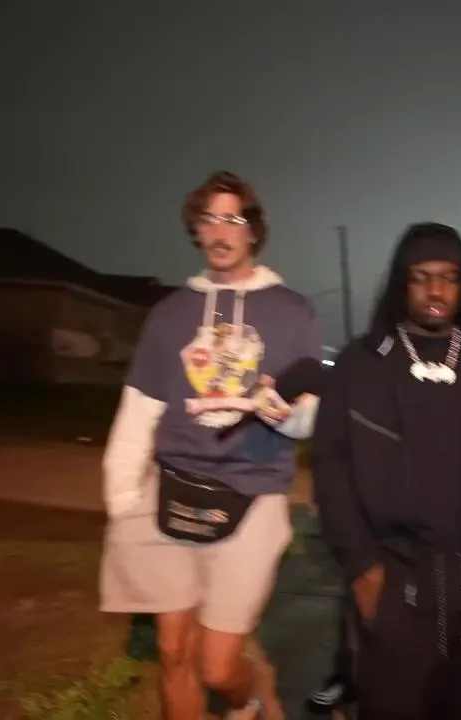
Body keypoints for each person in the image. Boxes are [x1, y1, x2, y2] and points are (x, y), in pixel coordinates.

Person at [99, 171, 321, 720]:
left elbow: (309, 414)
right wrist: (123, 497)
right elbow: (140, 407)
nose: (220, 231)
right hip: (169, 488)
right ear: (196, 231)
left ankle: (245, 702)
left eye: (233, 218)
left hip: (252, 497)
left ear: (253, 230)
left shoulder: (293, 311)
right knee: (173, 651)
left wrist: (285, 413)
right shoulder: (170, 314)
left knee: (217, 665)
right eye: (208, 220)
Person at [312, 222, 461, 720]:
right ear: (400, 283)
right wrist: (363, 571)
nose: (436, 290)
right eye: (421, 276)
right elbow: (332, 468)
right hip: (396, 580)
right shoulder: (361, 365)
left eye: (449, 277)